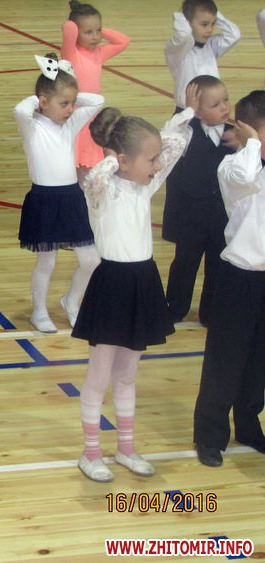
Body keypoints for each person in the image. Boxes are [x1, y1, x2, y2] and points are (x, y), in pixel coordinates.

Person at [72, 102, 192, 482]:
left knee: (126, 376)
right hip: (112, 286)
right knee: (99, 376)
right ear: (123, 161)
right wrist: (113, 159)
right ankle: (91, 453)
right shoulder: (102, 191)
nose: (157, 166)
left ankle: (125, 448)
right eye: (150, 160)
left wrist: (173, 127)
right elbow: (94, 179)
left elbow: (174, 150)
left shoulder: (145, 186)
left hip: (143, 282)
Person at [193, 90, 265, 467]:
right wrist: (250, 143)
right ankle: (210, 435)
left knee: (259, 360)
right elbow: (247, 177)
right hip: (238, 278)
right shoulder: (232, 167)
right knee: (225, 359)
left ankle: (249, 425)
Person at [13, 53, 103, 333]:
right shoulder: (32, 127)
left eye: (72, 103)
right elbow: (20, 110)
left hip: (71, 199)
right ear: (43, 101)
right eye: (64, 104)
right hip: (44, 200)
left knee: (91, 260)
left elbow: (97, 101)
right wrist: (42, 95)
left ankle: (71, 302)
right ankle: (39, 311)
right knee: (47, 260)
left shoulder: (71, 124)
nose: (71, 108)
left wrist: (65, 84)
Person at [163, 76, 235, 325]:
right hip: (190, 217)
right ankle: (175, 307)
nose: (224, 107)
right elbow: (169, 134)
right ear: (198, 111)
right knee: (185, 263)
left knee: (217, 263)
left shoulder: (235, 134)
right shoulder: (186, 132)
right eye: (215, 104)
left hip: (221, 216)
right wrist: (187, 111)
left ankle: (210, 311)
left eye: (225, 100)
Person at [60, 0, 130, 171]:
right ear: (77, 32)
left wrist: (97, 30)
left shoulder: (99, 53)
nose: (95, 36)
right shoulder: (70, 53)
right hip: (75, 116)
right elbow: (68, 28)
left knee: (90, 164)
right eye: (88, 32)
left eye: (98, 31)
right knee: (74, 164)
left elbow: (123, 41)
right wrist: (76, 19)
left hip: (93, 117)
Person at [164, 0, 240, 113]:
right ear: (187, 22)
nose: (210, 30)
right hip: (187, 112)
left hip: (213, 113)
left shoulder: (211, 45)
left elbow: (234, 35)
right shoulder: (177, 50)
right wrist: (181, 15)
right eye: (204, 24)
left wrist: (215, 15)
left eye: (213, 24)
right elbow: (184, 35)